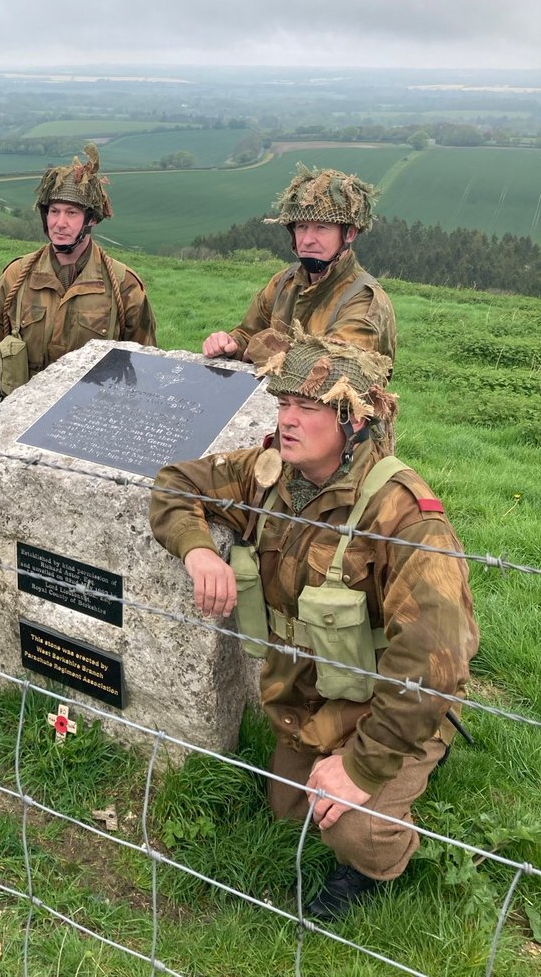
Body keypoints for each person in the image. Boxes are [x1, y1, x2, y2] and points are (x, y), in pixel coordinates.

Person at [149, 331, 478, 920]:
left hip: (389, 702)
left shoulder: (403, 515)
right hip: (307, 700)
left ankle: (398, 813)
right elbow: (175, 482)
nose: (288, 421)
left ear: (352, 422)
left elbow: (436, 659)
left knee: (351, 832)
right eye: (283, 405)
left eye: (309, 408)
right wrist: (197, 549)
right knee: (291, 812)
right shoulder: (269, 474)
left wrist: (360, 767)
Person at [0, 143, 157, 403]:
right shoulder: (16, 277)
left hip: (89, 418)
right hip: (21, 413)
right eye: (54, 211)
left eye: (71, 213)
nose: (60, 223)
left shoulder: (124, 286)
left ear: (91, 220)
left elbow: (144, 366)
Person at [202, 164, 397, 366]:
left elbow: (333, 369)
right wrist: (230, 343)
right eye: (302, 227)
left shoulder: (364, 300)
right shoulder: (283, 283)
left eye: (321, 228)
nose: (307, 240)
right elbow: (248, 334)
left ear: (349, 233)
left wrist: (259, 349)